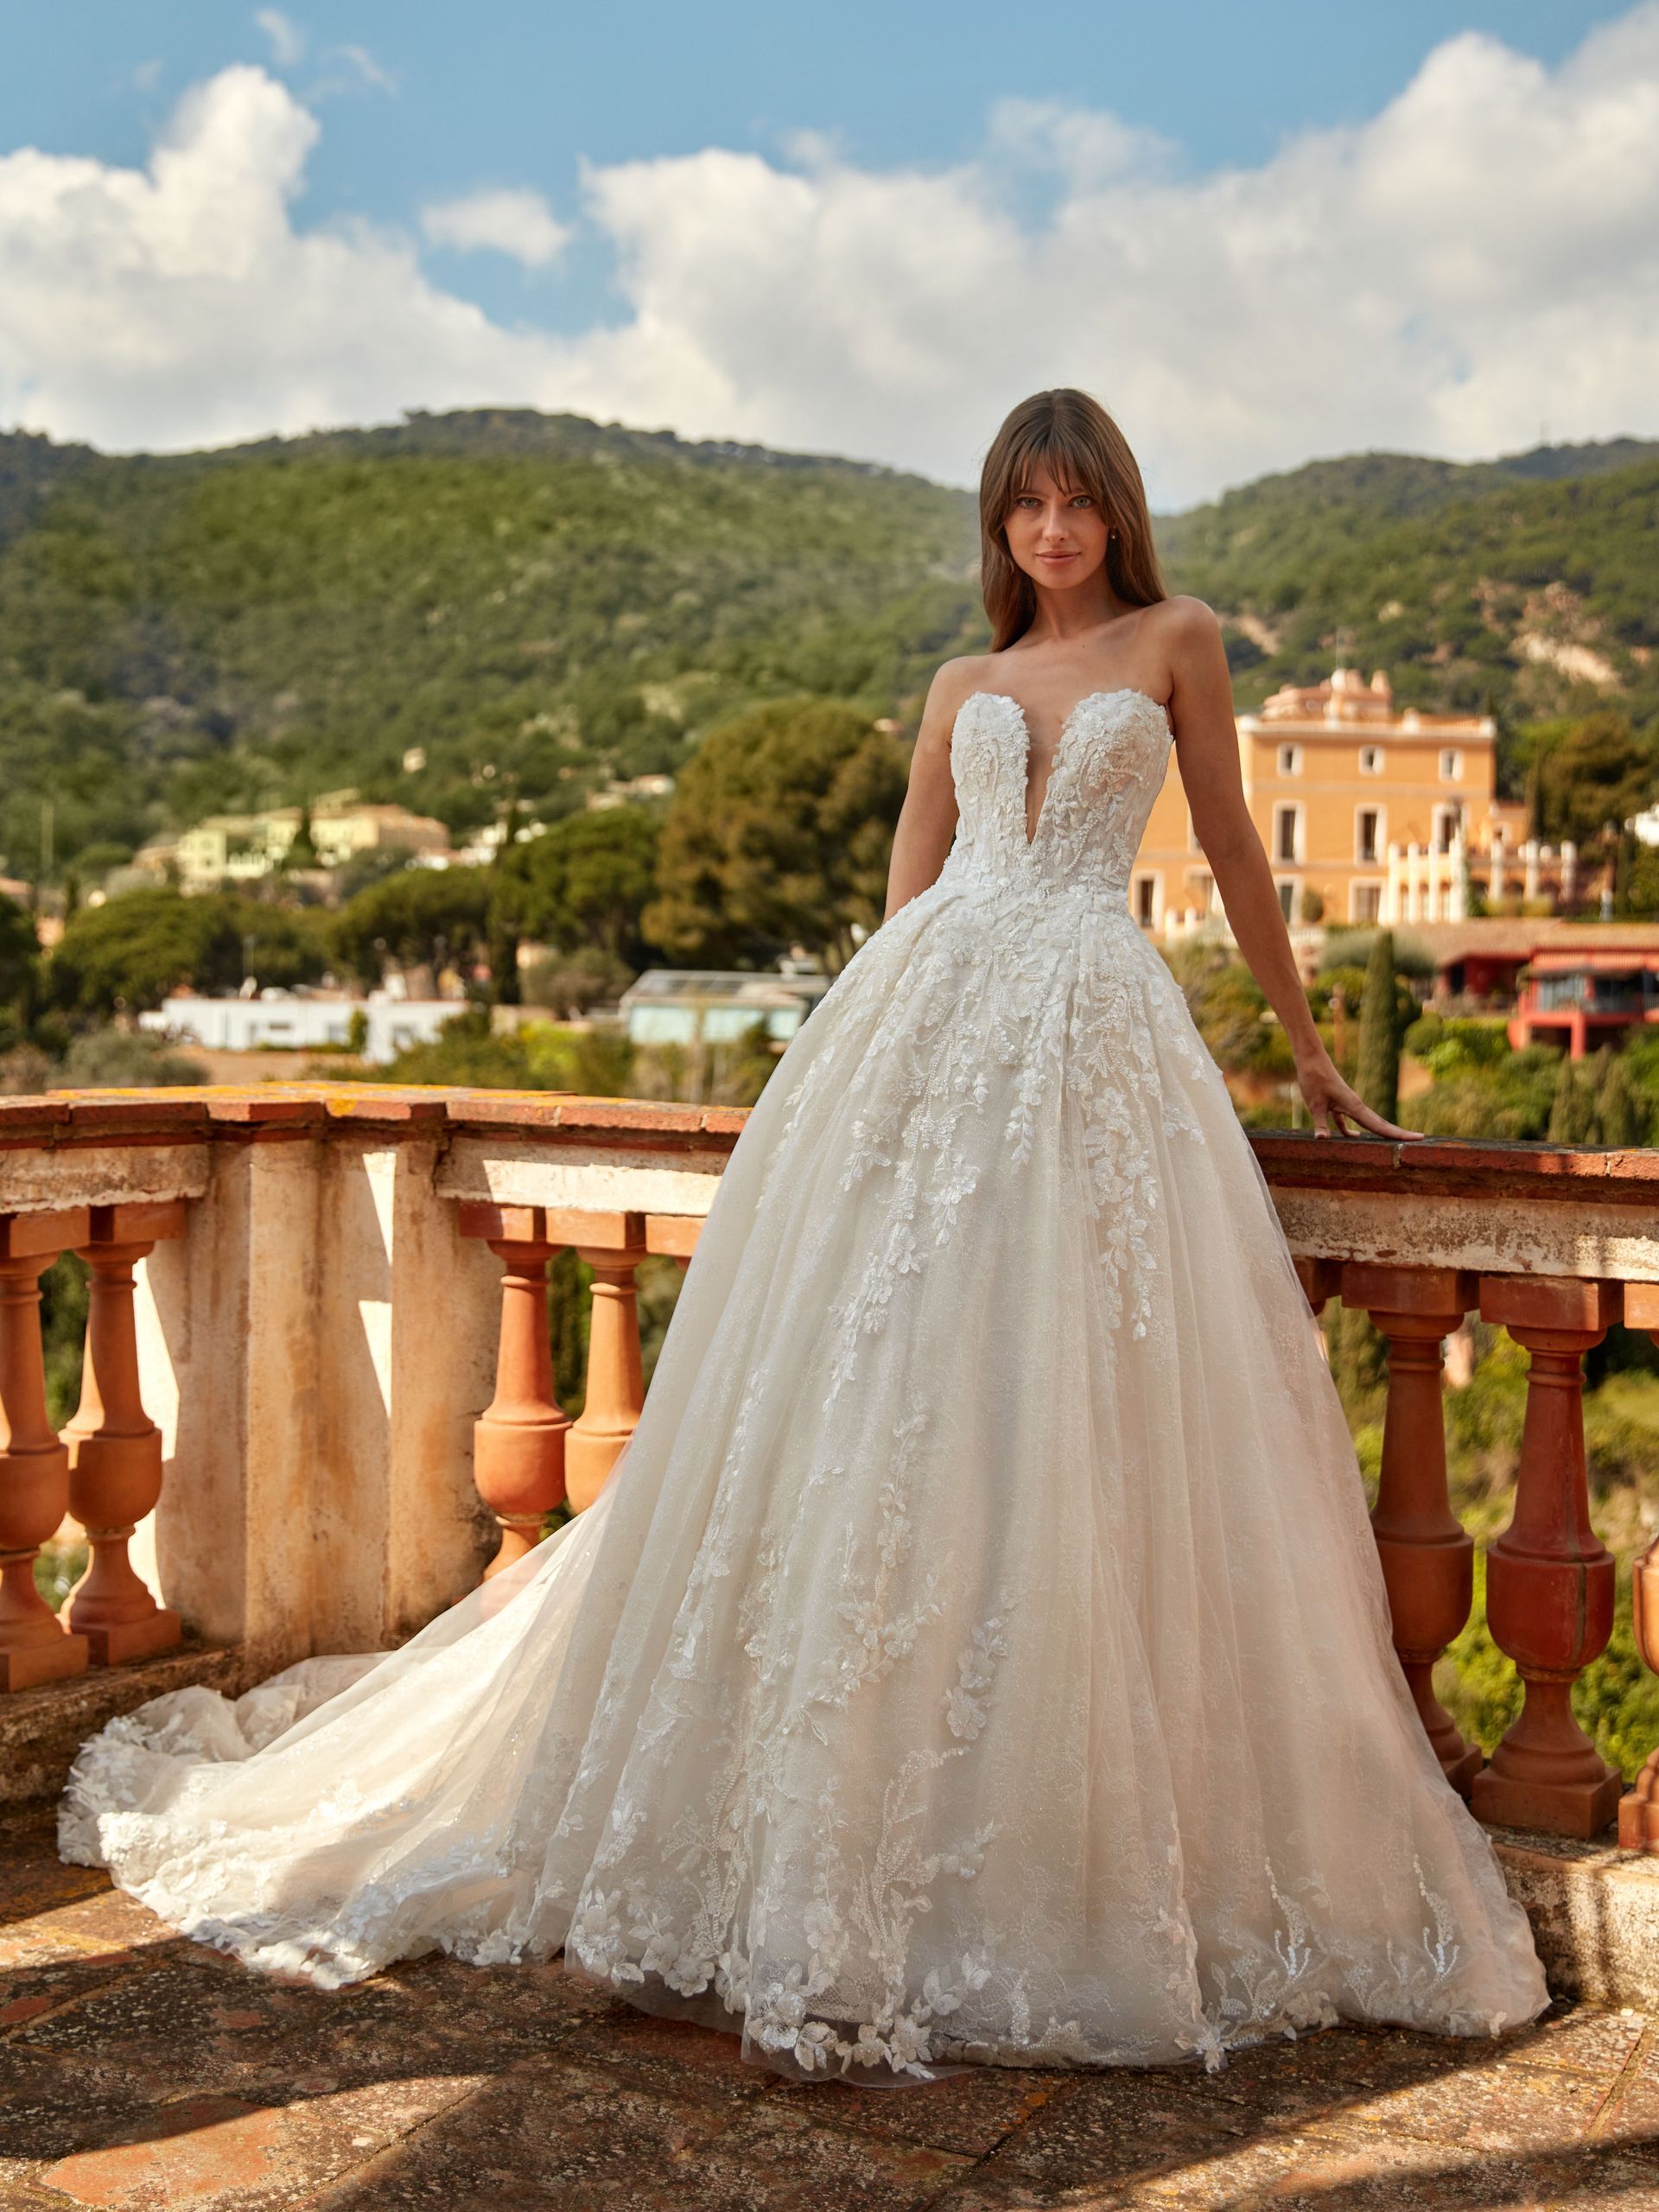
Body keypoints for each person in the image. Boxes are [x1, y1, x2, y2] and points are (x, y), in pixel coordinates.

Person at [60, 388, 1549, 2087]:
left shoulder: (1180, 639)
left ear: (1117, 514)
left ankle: (1066, 1848)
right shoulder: (957, 688)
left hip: (1099, 1040)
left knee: (1078, 1401)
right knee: (888, 1400)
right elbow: (908, 902)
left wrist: (1304, 1052)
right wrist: (849, 1084)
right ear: (997, 526)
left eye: (1076, 507)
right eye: (1024, 511)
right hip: (929, 1035)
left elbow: (1228, 846)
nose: (1051, 535)